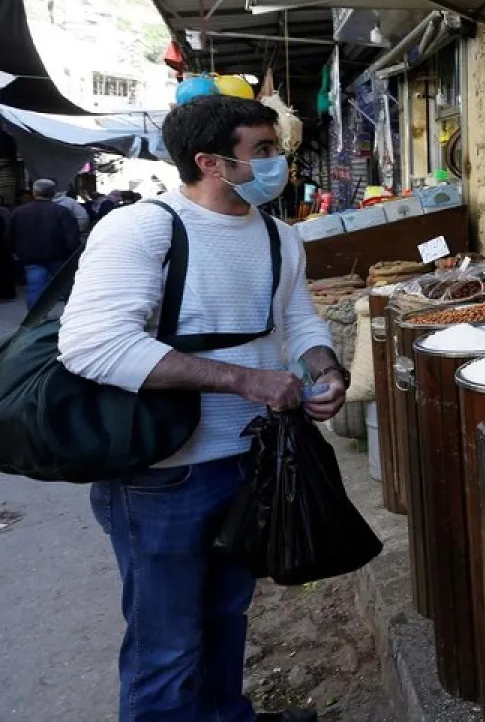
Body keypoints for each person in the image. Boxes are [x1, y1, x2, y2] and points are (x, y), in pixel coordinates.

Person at [58, 95, 344, 722]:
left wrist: (325, 368)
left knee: (224, 616)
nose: (279, 165)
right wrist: (248, 381)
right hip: (162, 474)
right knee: (166, 645)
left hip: (249, 460)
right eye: (262, 151)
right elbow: (93, 345)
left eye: (278, 150)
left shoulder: (279, 236)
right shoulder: (143, 229)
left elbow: (298, 320)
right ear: (211, 162)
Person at [10, 178, 82, 308]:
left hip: (30, 257)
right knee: (65, 287)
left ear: (34, 192)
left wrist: (15, 252)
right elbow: (71, 235)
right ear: (53, 193)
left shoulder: (19, 212)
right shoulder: (61, 211)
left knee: (35, 288)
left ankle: (34, 321)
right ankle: (73, 314)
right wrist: (71, 253)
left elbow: (10, 234)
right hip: (58, 256)